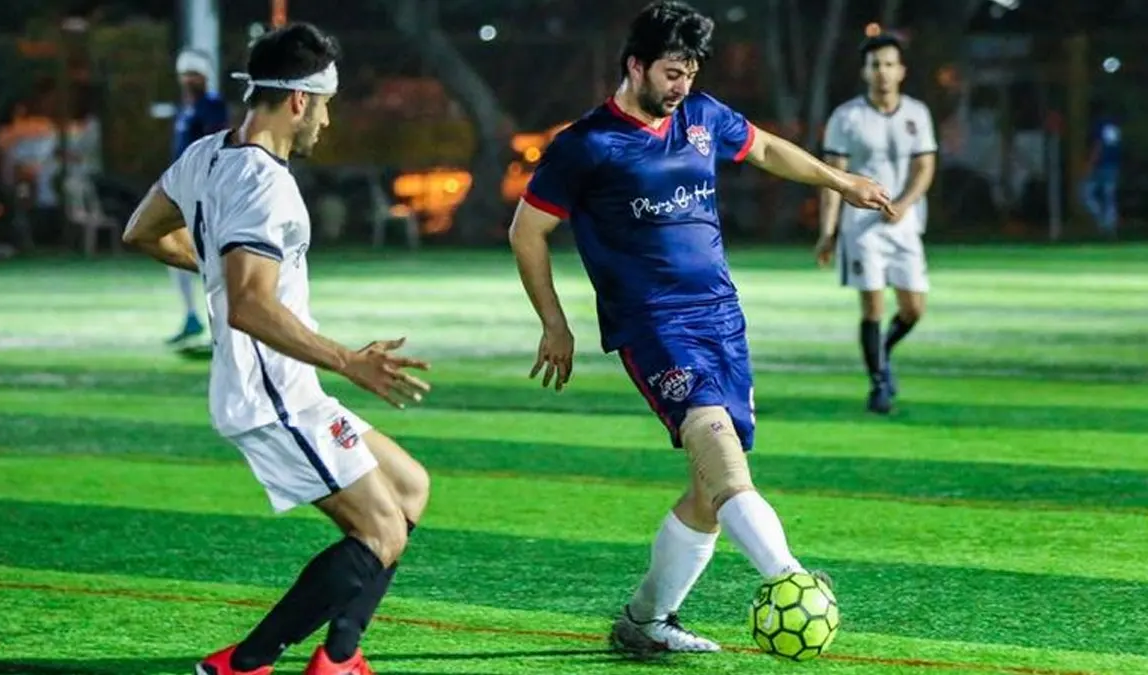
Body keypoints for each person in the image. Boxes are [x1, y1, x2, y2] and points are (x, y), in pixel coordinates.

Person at [508, 1, 893, 656]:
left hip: (722, 318)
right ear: (635, 65)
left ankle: (645, 620)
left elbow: (766, 147)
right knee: (724, 464)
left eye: (688, 72)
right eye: (670, 72)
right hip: (653, 326)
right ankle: (790, 577)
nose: (680, 85)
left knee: (708, 493)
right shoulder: (586, 145)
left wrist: (839, 181)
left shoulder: (701, 118)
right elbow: (527, 231)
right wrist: (556, 323)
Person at [122, 23, 432, 675]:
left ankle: (340, 658)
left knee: (409, 489)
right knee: (380, 531)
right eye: (325, 103)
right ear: (298, 101)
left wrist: (212, 266)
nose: (327, 118)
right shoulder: (267, 184)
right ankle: (244, 662)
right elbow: (251, 304)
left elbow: (142, 231)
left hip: (282, 387)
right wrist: (352, 360)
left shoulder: (206, 153)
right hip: (270, 393)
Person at [815, 33, 937, 415]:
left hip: (905, 223)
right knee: (872, 307)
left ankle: (882, 351)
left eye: (888, 64)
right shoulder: (847, 117)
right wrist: (828, 231)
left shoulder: (917, 113)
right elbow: (832, 178)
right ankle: (878, 384)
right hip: (860, 225)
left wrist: (903, 204)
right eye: (874, 65)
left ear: (901, 71)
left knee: (914, 308)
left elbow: (925, 167)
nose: (882, 72)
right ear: (865, 72)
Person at [168, 47, 229, 347]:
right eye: (186, 74)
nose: (189, 80)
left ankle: (218, 323)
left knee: (210, 259)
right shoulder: (185, 108)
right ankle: (192, 316)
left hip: (204, 193)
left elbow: (213, 144)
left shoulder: (212, 105)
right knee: (176, 254)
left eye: (195, 74)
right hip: (183, 192)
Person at [1082, 105, 1121, 239]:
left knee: (1086, 194)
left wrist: (1090, 164)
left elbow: (1097, 146)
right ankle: (1109, 226)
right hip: (1112, 166)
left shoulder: (1098, 124)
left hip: (1100, 166)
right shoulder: (1115, 126)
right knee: (1109, 198)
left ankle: (1102, 222)